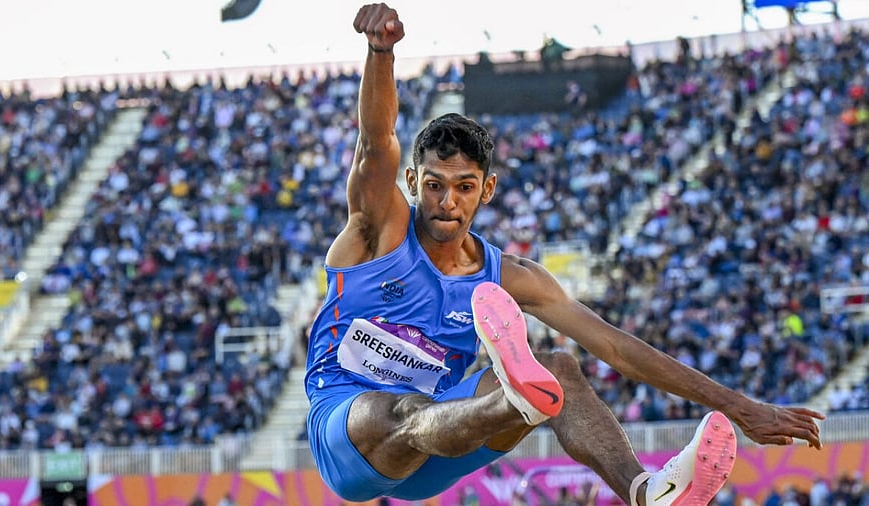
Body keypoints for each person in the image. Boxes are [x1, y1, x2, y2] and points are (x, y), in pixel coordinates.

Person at [303, 3, 825, 505]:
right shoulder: (378, 232)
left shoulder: (508, 276)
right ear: (414, 182)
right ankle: (518, 398)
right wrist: (381, 53)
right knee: (404, 410)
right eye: (434, 185)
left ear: (487, 191)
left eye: (464, 187)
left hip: (445, 440)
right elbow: (376, 143)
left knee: (560, 369)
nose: (447, 202)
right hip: (348, 430)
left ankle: (645, 492)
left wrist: (741, 408)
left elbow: (616, 348)